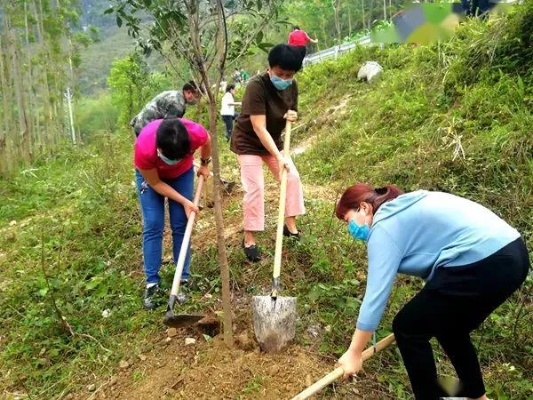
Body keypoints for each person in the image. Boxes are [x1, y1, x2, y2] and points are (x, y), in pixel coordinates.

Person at [334, 184, 530, 400]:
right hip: (513, 253)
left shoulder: (384, 226)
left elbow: (375, 297)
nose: (350, 229)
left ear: (364, 207)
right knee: (450, 327)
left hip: (485, 260)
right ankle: (476, 396)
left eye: (347, 220)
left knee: (407, 327)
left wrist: (354, 353)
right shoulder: (402, 207)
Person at [230, 44, 305, 262]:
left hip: (274, 140)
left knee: (291, 178)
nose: (284, 78)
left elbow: (292, 111)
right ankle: (249, 238)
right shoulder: (256, 85)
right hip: (249, 141)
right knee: (255, 188)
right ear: (269, 68)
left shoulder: (292, 85)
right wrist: (279, 156)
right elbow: (258, 127)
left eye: (289, 75)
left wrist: (293, 116)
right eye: (280, 73)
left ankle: (289, 225)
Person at [135, 118, 212, 309]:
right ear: (159, 149)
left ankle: (182, 279)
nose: (172, 162)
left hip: (182, 175)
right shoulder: (145, 147)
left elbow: (207, 139)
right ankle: (152, 284)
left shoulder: (194, 133)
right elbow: (156, 184)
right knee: (153, 224)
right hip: (153, 177)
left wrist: (204, 163)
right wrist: (185, 201)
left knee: (181, 223)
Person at [129, 81, 200, 137]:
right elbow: (168, 125)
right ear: (189, 92)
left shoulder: (174, 94)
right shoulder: (178, 104)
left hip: (140, 122)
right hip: (146, 127)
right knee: (151, 153)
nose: (197, 100)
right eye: (196, 97)